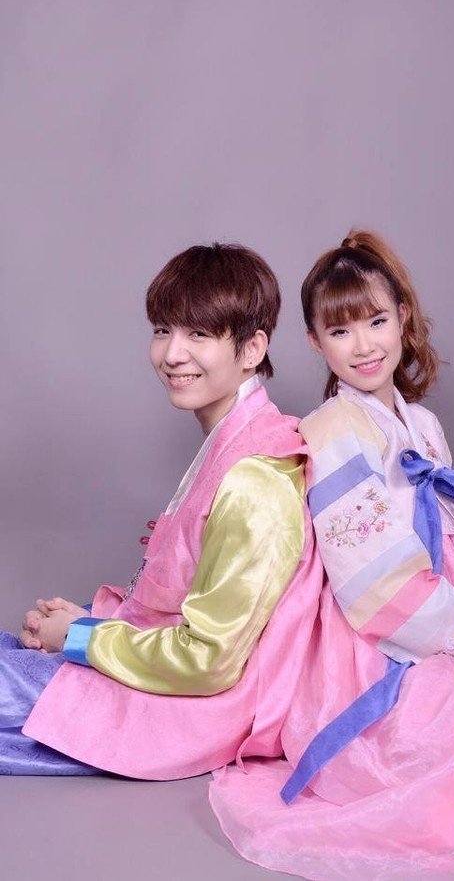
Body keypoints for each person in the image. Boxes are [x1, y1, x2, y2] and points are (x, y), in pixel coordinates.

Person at [210, 230, 454, 880]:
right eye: (340, 331)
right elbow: (365, 569)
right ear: (314, 341)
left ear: (403, 317)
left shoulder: (422, 423)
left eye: (376, 321)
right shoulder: (332, 428)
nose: (363, 345)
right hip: (386, 628)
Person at [0, 242, 323, 779]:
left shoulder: (256, 478)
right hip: (170, 671)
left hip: (193, 708)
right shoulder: (239, 439)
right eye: (162, 330)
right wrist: (85, 621)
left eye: (199, 334)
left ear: (252, 348)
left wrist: (79, 638)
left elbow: (209, 661)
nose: (173, 354)